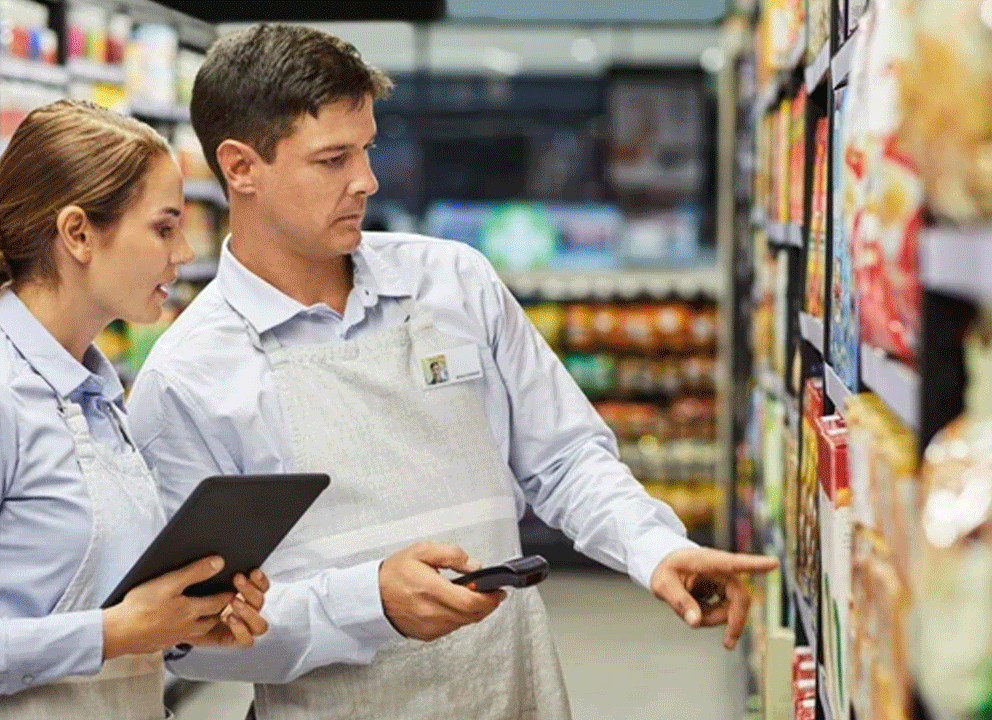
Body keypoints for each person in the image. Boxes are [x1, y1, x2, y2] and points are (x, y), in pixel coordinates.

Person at [127, 24, 778, 719]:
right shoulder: (188, 377)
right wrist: (368, 603)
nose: (367, 180)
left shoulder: (453, 282)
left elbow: (564, 458)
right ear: (241, 167)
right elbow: (186, 635)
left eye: (368, 148)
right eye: (332, 159)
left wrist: (655, 549)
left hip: (511, 695)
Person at [0, 100, 270, 720]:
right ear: (77, 233)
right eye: (163, 227)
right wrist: (111, 633)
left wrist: (182, 624)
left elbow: (101, 608)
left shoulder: (100, 400)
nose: (183, 251)